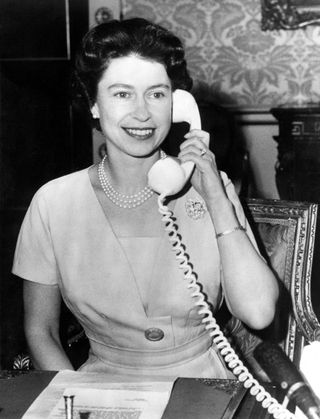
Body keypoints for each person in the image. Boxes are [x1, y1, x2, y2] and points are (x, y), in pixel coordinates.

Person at [12, 18, 279, 378]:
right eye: (122, 93)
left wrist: (216, 197)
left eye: (157, 94)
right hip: (98, 391)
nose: (142, 113)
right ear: (93, 103)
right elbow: (40, 332)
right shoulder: (52, 202)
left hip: (203, 389)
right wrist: (73, 401)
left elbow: (259, 313)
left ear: (177, 103)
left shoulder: (214, 188)